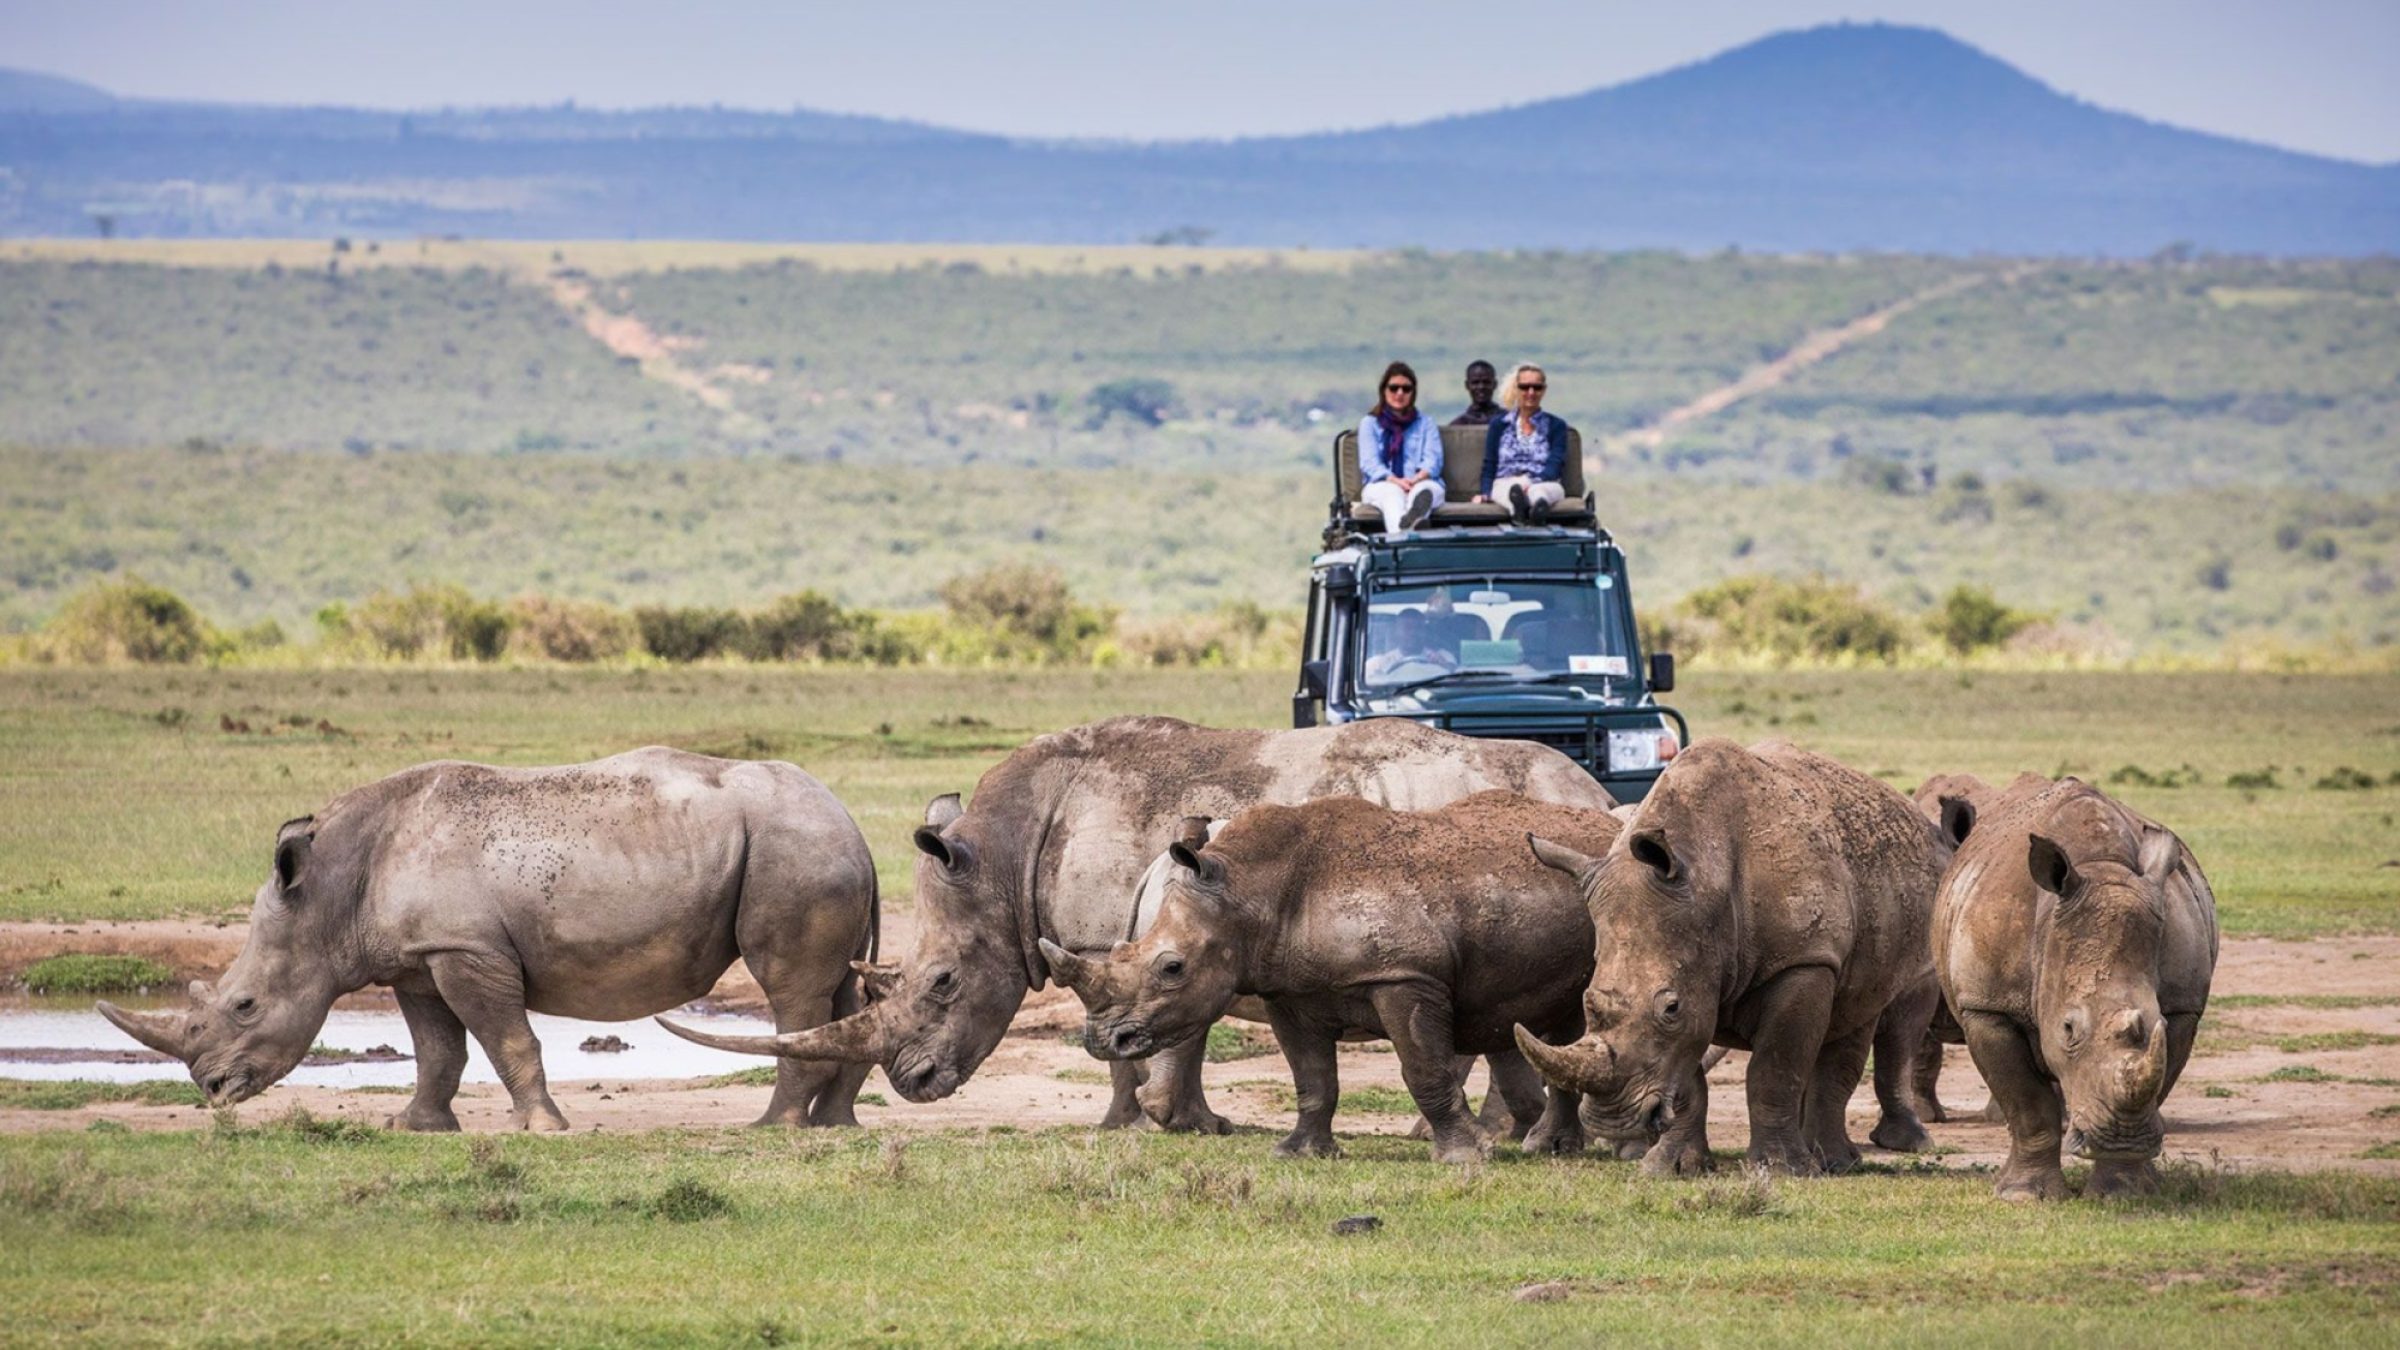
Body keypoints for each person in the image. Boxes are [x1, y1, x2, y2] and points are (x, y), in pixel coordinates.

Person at [1475, 361, 1573, 524]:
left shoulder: (1556, 425)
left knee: (1540, 492)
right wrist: (1485, 493)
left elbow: (1555, 464)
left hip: (1543, 482)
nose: (1531, 392)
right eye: (1525, 387)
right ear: (1516, 388)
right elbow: (1490, 464)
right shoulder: (1499, 424)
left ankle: (1538, 508)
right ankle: (1518, 510)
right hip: (1506, 482)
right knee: (1506, 491)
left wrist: (1530, 482)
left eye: (1537, 387)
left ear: (1544, 390)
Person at [1357, 361, 1446, 533]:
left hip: (1419, 481)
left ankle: (1410, 523)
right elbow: (1370, 464)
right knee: (1392, 494)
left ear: (1413, 393)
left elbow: (1433, 460)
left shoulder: (1426, 423)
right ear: (1384, 390)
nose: (1400, 393)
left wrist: (1417, 479)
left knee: (1426, 492)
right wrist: (1395, 480)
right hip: (1383, 483)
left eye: (1406, 389)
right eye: (1394, 388)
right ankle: (1406, 534)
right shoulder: (1370, 423)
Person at [1364, 608, 1459, 682]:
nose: (1413, 633)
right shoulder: (1379, 663)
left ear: (1425, 631)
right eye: (1407, 628)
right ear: (1396, 631)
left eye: (1418, 628)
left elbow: (1456, 681)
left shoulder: (1444, 656)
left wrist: (1443, 664)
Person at [1448, 360, 1503, 427]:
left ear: (1495, 384)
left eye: (1486, 382)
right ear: (1467, 385)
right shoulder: (1458, 425)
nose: (1481, 387)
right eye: (1475, 382)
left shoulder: (1508, 421)